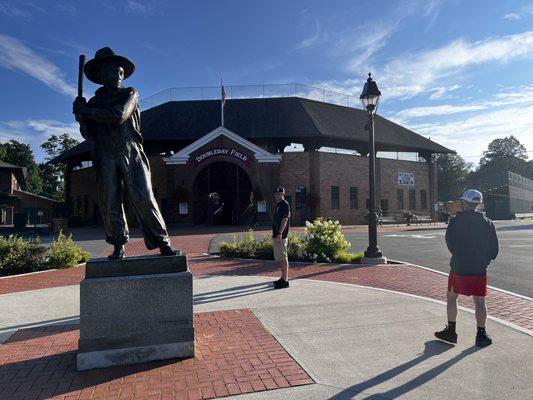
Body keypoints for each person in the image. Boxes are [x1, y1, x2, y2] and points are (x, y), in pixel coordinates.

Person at [73, 47, 177, 259]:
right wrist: (81, 118)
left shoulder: (130, 93)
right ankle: (118, 244)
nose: (118, 76)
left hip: (131, 152)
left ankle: (163, 241)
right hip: (104, 154)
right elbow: (89, 135)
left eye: (120, 72)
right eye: (113, 71)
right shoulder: (93, 102)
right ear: (102, 75)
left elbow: (119, 115)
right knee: (110, 200)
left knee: (144, 196)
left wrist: (87, 112)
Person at [435, 189, 499, 347]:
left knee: (452, 297)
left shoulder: (455, 221)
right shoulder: (488, 223)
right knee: (480, 301)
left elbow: (450, 244)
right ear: (478, 204)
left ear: (464, 203)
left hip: (459, 266)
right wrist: (484, 260)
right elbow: (494, 250)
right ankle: (481, 334)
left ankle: (451, 331)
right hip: (479, 268)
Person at [272, 186, 291, 289]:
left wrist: (280, 233)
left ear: (283, 194)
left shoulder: (285, 205)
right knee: (279, 258)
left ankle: (285, 280)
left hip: (281, 236)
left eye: (279, 194)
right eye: (276, 194)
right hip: (276, 235)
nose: (277, 196)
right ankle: (283, 277)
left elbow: (285, 220)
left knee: (283, 258)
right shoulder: (278, 205)